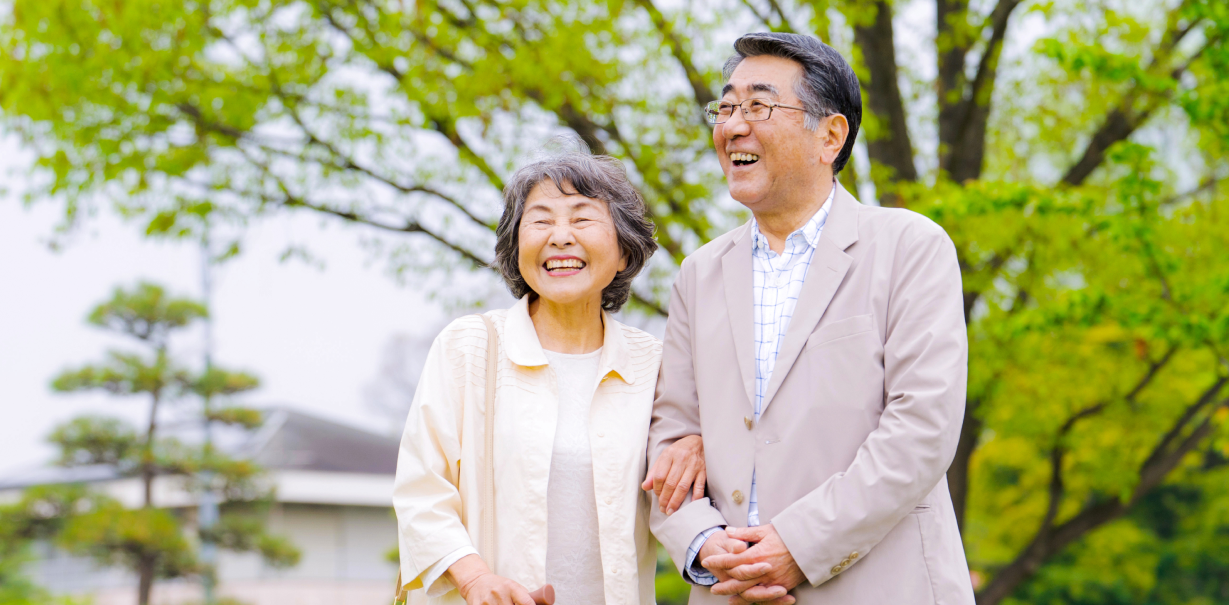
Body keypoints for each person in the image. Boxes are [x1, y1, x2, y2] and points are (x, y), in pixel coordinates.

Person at [645, 32, 975, 605]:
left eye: (758, 105)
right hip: (730, 593)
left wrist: (795, 545)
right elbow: (668, 441)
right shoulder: (698, 274)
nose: (733, 126)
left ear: (830, 135)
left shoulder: (908, 246)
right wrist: (703, 545)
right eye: (726, 107)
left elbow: (922, 429)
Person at [393, 148, 705, 605]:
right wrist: (477, 580)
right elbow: (422, 491)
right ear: (516, 247)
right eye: (540, 221)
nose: (560, 237)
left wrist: (699, 441)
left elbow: (690, 467)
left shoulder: (655, 365)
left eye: (582, 220)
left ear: (623, 251)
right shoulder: (469, 347)